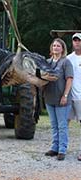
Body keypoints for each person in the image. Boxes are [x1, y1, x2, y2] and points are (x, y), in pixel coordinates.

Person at [43, 38, 73, 160]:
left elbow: (69, 79)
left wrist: (65, 95)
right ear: (51, 48)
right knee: (54, 125)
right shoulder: (47, 62)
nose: (56, 47)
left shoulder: (66, 62)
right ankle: (54, 148)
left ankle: (62, 150)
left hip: (62, 100)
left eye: (58, 46)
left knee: (62, 125)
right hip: (49, 98)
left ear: (62, 49)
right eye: (54, 45)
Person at [67, 33, 81, 161]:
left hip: (80, 97)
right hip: (69, 96)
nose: (77, 42)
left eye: (79, 40)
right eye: (75, 40)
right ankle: (61, 149)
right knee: (64, 123)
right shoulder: (68, 58)